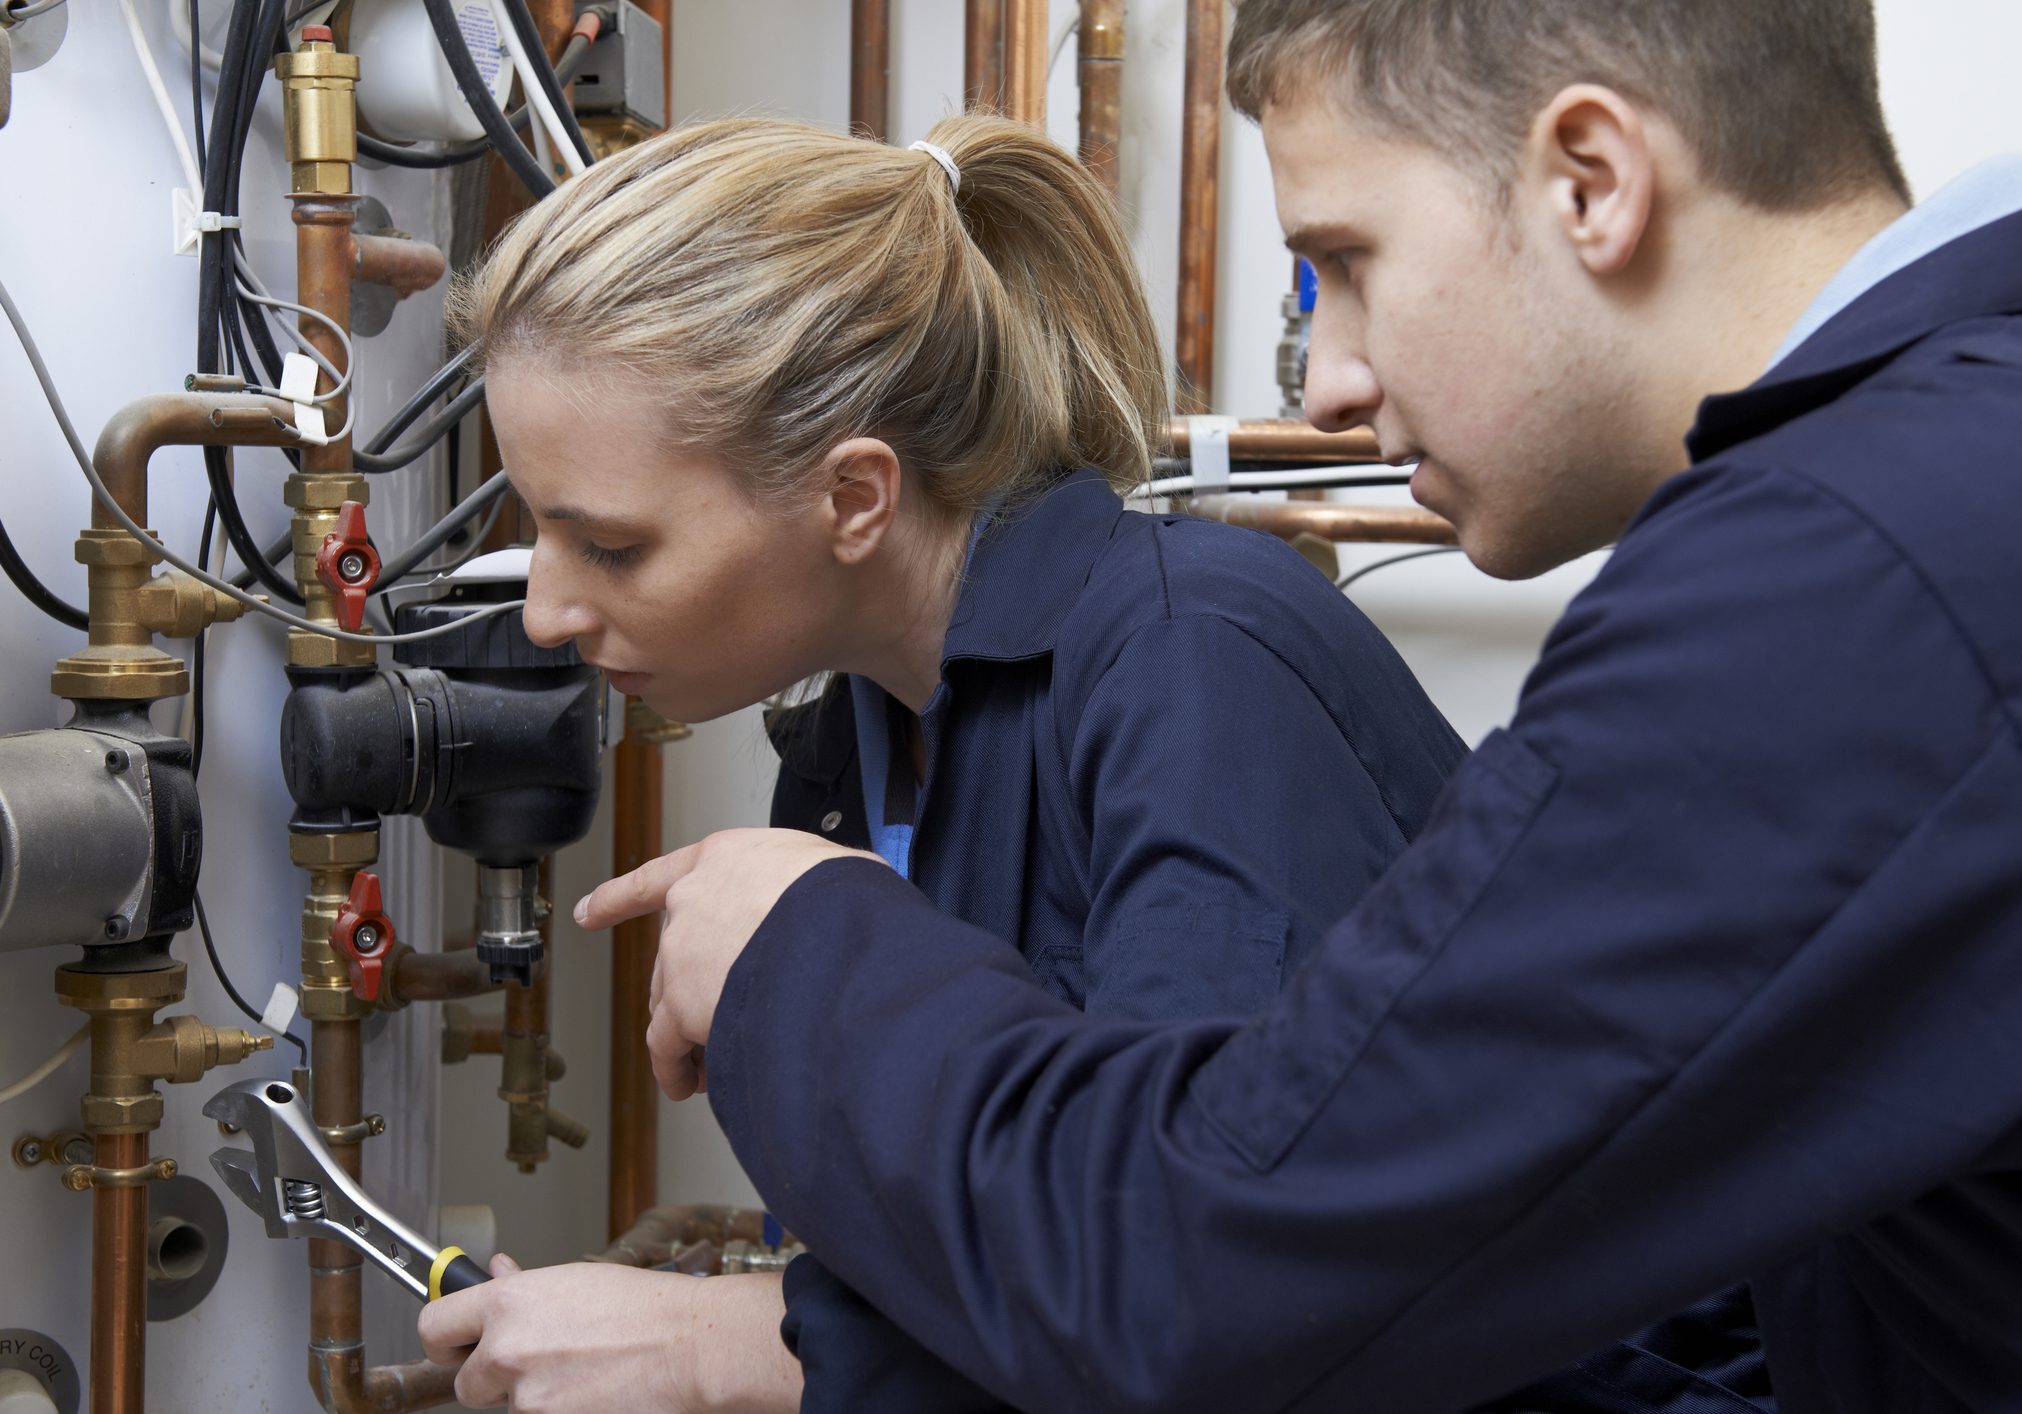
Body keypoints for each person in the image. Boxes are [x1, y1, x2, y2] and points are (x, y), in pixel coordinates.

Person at [567, 0, 2022, 1410]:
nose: (1322, 385)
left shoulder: (1853, 566)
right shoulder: (1931, 496)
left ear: (1591, 180)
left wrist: (794, 940)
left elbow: (1197, 1278)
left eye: (1346, 260)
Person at [416, 109, 1486, 1411]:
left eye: (613, 546)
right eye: (539, 530)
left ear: (855, 497)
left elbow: (1223, 1307)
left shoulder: (1194, 662)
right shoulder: (850, 749)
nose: (544, 611)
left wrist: (736, 1352)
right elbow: (968, 1263)